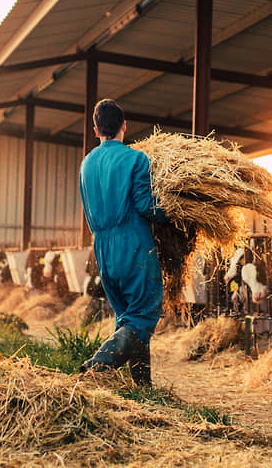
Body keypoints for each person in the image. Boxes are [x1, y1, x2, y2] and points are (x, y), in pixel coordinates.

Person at [78, 98, 166, 386]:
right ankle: (98, 365)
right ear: (124, 126)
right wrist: (174, 212)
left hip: (102, 248)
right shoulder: (136, 159)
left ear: (96, 129)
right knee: (142, 315)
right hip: (133, 244)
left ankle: (142, 388)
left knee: (127, 317)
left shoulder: (86, 164)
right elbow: (146, 205)